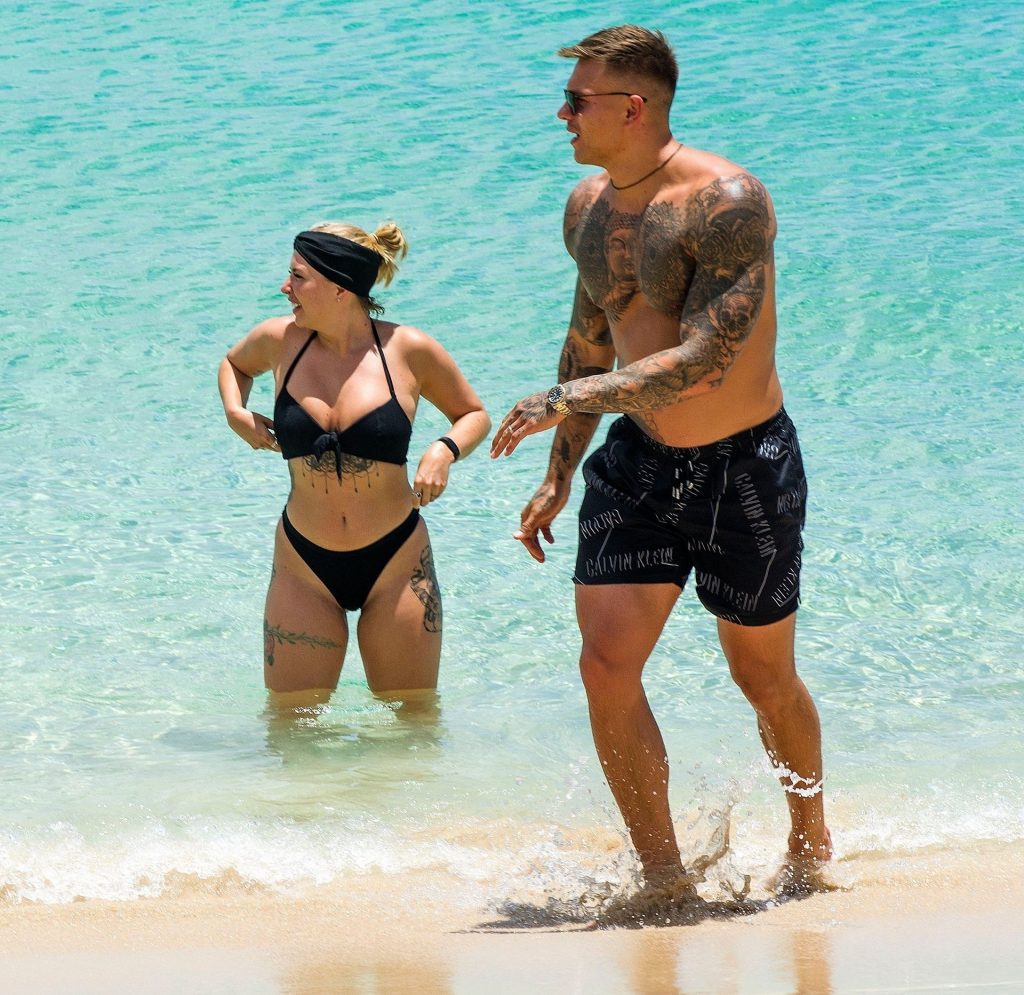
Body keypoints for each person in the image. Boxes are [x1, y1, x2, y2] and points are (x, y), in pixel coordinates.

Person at [491, 25, 831, 892]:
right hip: (638, 459)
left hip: (742, 466)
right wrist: (560, 471)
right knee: (605, 664)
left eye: (577, 101)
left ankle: (810, 839)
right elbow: (590, 337)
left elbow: (703, 359)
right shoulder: (587, 208)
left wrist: (561, 400)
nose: (562, 115)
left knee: (763, 677)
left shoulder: (728, 202)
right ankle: (664, 877)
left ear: (632, 108)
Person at [220, 221, 490, 702]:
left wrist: (444, 450)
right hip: (303, 563)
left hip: (397, 562)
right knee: (291, 723)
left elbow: (473, 415)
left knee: (412, 719)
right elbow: (234, 365)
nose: (285, 288)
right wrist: (235, 413)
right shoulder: (280, 340)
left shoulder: (407, 349)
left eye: (298, 277)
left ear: (340, 288)